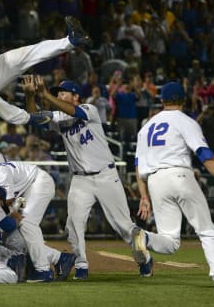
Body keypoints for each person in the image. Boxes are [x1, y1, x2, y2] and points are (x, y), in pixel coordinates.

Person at [25, 77, 154, 279]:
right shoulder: (59, 117)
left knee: (123, 225)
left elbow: (73, 111)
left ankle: (144, 259)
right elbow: (34, 118)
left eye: (63, 93)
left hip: (105, 175)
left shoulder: (89, 109)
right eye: (57, 93)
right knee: (74, 223)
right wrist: (31, 95)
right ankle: (82, 264)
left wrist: (46, 96)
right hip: (81, 180)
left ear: (76, 96)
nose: (59, 95)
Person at [134, 82, 214, 289]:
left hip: (155, 181)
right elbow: (204, 155)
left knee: (170, 242)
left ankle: (144, 237)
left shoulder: (146, 127)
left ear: (162, 100)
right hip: (179, 174)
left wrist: (144, 196)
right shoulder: (186, 121)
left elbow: (138, 166)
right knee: (208, 231)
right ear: (183, 100)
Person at [0, 160, 76, 282]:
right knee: (7, 235)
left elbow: (8, 201)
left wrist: (8, 214)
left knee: (26, 223)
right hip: (23, 190)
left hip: (38, 182)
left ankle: (42, 270)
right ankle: (60, 259)